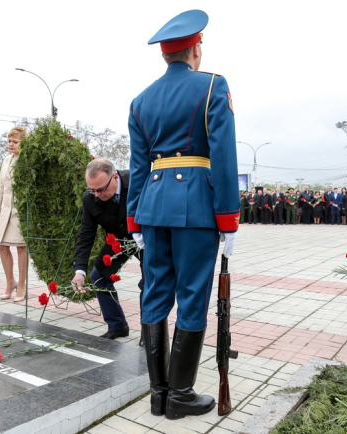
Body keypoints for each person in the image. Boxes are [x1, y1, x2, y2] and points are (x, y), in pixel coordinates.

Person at [127, 10, 238, 420]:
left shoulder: (140, 100)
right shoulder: (212, 86)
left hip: (153, 207)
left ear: (164, 55)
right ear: (196, 50)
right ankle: (181, 395)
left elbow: (139, 165)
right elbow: (223, 155)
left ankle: (158, 395)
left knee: (155, 293)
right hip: (196, 207)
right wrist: (229, 218)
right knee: (192, 295)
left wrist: (134, 218)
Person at [72, 159, 144, 341]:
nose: (96, 195)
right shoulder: (90, 198)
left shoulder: (138, 181)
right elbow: (86, 235)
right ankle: (117, 326)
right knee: (99, 277)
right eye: (92, 190)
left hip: (146, 238)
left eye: (101, 189)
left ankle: (150, 332)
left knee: (150, 282)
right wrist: (79, 270)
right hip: (119, 239)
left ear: (115, 177)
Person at [0, 126, 28, 302]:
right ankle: (10, 282)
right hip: (6, 211)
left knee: (22, 248)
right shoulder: (6, 160)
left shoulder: (27, 161)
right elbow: (0, 186)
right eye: (9, 141)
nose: (11, 144)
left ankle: (22, 285)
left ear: (23, 143)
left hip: (21, 212)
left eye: (15, 142)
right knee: (3, 246)